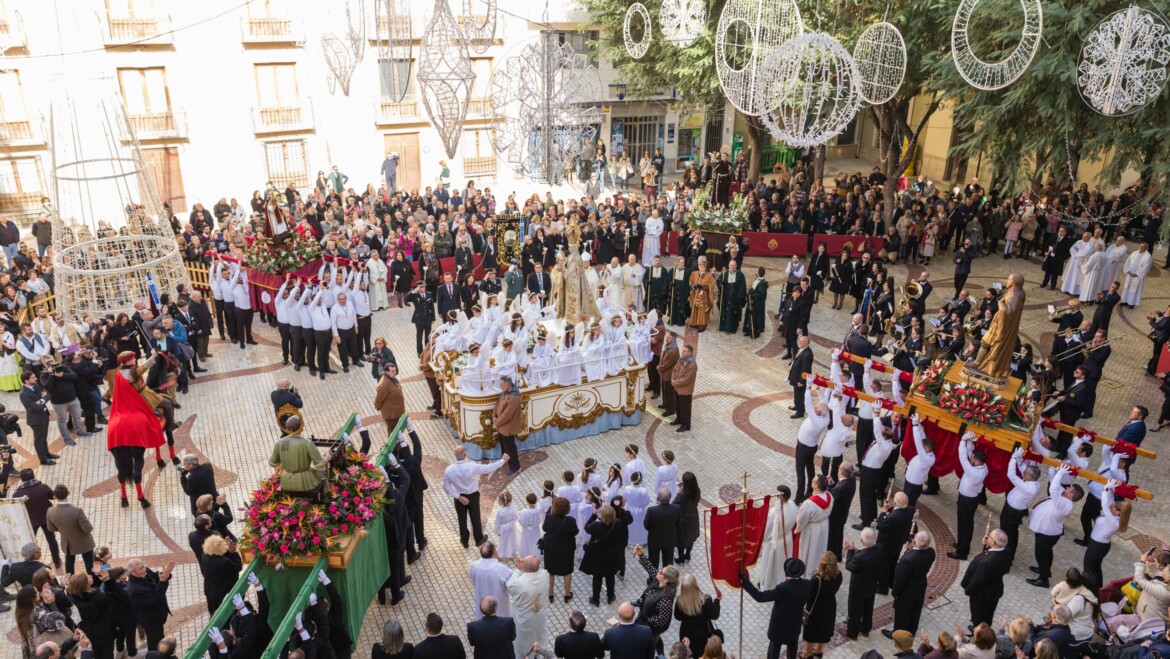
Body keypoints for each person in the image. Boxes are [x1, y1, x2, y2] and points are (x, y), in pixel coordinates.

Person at [739, 557, 811, 659]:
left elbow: (760, 597)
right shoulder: (807, 585)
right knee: (792, 649)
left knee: (774, 651)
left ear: (787, 572)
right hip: (795, 625)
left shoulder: (782, 588)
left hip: (779, 627)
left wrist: (746, 583)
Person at [1026, 466, 1083, 588]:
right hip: (1046, 530)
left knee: (1041, 554)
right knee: (1046, 552)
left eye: (1069, 489)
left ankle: (1043, 579)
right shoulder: (1064, 497)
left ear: (1071, 495)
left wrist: (1061, 473)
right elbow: (1054, 483)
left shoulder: (1065, 504)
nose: (1067, 488)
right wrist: (1053, 470)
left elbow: (1053, 489)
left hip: (1047, 532)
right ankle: (1045, 570)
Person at [443, 446, 507, 548]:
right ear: (465, 455)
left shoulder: (449, 470)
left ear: (455, 455)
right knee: (475, 517)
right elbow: (488, 468)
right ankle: (478, 539)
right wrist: (503, 461)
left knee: (462, 519)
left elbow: (446, 486)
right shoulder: (472, 466)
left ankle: (464, 541)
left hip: (459, 498)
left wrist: (458, 496)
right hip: (473, 496)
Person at [884, 531, 935, 638]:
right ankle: (912, 630)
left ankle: (897, 633)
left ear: (915, 542)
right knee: (915, 610)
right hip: (920, 585)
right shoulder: (931, 552)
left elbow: (900, 577)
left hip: (907, 590)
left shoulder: (908, 559)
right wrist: (910, 551)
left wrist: (895, 592)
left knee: (902, 612)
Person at [632, 545, 678, 654]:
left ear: (666, 580)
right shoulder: (659, 580)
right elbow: (651, 569)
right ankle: (661, 653)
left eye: (661, 572)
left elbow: (662, 620)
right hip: (645, 618)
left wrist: (647, 620)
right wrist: (641, 555)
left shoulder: (666, 599)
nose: (659, 571)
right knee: (656, 638)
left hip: (649, 626)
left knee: (650, 641)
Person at [960, 529, 1010, 629]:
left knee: (978, 615)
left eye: (989, 537)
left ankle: (978, 632)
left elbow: (977, 580)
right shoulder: (1007, 551)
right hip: (995, 589)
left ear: (993, 542)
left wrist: (968, 590)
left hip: (982, 594)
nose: (987, 538)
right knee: (988, 613)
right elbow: (990, 554)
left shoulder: (987, 562)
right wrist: (986, 547)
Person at [950, 433, 987, 560]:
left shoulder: (973, 472)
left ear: (976, 460)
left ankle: (962, 552)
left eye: (972, 457)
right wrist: (969, 441)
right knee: (965, 524)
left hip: (967, 500)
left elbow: (963, 458)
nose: (970, 458)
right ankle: (962, 545)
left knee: (964, 525)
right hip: (969, 498)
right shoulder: (982, 466)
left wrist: (962, 440)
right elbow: (970, 453)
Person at [580, 504, 626, 606]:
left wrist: (593, 515)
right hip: (612, 554)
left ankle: (595, 599)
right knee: (610, 576)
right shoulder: (618, 523)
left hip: (597, 556)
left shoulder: (596, 526)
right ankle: (610, 597)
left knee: (597, 577)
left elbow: (586, 527)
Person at [45, 485, 95, 577]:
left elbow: (51, 528)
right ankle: (94, 582)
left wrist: (63, 529)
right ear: (68, 493)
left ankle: (70, 582)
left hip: (67, 542)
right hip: (84, 541)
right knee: (89, 563)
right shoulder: (77, 510)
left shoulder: (50, 511)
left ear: (55, 496)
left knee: (69, 564)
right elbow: (87, 528)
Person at [268, 415, 326, 495]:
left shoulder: (283, 443)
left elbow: (273, 463)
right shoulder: (307, 443)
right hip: (306, 483)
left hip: (286, 482)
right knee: (323, 474)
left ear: (287, 429)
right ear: (302, 427)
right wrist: (326, 458)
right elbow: (319, 464)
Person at [126, 558, 174, 652]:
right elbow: (154, 599)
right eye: (140, 568)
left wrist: (165, 574)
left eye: (143, 566)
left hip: (157, 614)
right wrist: (163, 581)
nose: (144, 569)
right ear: (132, 572)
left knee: (160, 636)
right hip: (150, 620)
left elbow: (155, 577)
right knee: (155, 641)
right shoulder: (134, 589)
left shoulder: (145, 571)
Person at [507, 556, 550, 657]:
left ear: (528, 569)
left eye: (523, 561)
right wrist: (524, 568)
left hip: (524, 621)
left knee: (523, 644)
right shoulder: (545, 575)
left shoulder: (519, 583)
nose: (521, 560)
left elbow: (510, 585)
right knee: (539, 636)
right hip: (539, 617)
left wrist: (518, 570)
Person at [843, 527, 882, 640]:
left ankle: (852, 632)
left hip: (858, 588)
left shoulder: (859, 558)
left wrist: (850, 550)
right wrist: (856, 550)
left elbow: (849, 565)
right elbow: (867, 552)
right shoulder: (879, 548)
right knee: (868, 608)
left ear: (861, 540)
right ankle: (865, 629)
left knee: (854, 610)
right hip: (872, 585)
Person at [757, 485, 798, 589]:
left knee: (770, 566)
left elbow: (766, 531)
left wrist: (763, 540)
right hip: (787, 539)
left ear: (780, 496)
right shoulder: (793, 504)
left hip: (774, 543)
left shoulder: (774, 512)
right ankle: (782, 583)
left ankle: (767, 585)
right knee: (781, 566)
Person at [802, 551, 842, 657]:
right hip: (829, 607)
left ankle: (808, 653)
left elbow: (810, 595)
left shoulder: (816, 579)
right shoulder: (839, 575)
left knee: (811, 632)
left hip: (815, 608)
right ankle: (819, 651)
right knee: (824, 630)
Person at [794, 475, 833, 578]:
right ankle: (819, 570)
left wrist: (798, 529)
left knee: (809, 553)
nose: (811, 482)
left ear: (816, 486)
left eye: (813, 481)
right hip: (824, 525)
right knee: (820, 549)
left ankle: (807, 575)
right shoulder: (829, 496)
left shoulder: (809, 504)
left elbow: (801, 520)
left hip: (812, 530)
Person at [541, 498, 579, 602]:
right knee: (567, 572)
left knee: (550, 572)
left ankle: (550, 594)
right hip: (566, 550)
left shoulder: (548, 518)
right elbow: (575, 532)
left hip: (551, 549)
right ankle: (567, 594)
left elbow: (544, 529)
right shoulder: (571, 521)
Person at [674, 574, 721, 653]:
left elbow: (678, 617)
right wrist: (717, 602)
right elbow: (715, 615)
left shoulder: (679, 601)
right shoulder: (706, 600)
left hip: (686, 635)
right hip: (703, 635)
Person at [199, 535, 242, 615]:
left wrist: (226, 551)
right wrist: (233, 553)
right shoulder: (224, 562)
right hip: (223, 592)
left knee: (213, 612)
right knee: (225, 614)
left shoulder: (205, 555)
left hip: (211, 589)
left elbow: (217, 556)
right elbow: (238, 567)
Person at [470, 542, 513, 620]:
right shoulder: (501, 569)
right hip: (499, 607)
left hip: (482, 601)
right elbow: (512, 583)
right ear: (494, 552)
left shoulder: (474, 566)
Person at [20, 370, 53, 464]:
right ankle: (43, 459)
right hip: (36, 420)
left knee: (44, 437)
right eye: (33, 377)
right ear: (26, 381)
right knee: (39, 440)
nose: (36, 378)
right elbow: (35, 407)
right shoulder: (24, 394)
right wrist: (43, 399)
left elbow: (48, 394)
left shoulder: (36, 385)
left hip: (44, 415)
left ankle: (47, 454)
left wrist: (41, 400)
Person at [493, 376, 523, 476]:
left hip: (508, 427)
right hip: (501, 425)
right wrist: (494, 415)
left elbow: (507, 414)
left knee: (510, 448)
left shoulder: (514, 397)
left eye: (501, 384)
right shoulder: (506, 392)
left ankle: (515, 467)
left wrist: (497, 421)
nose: (500, 386)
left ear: (507, 384)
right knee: (504, 446)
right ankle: (505, 460)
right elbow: (498, 403)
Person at [672, 472, 701, 564]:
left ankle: (681, 558)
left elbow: (673, 505)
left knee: (681, 540)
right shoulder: (697, 492)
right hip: (693, 518)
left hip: (683, 521)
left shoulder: (682, 496)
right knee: (691, 538)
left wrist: (679, 493)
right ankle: (688, 555)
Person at [669, 344, 697, 432]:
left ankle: (686, 424)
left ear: (690, 352)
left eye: (684, 351)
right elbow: (674, 369)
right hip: (677, 388)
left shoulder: (692, 365)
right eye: (682, 351)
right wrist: (673, 378)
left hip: (685, 390)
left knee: (685, 408)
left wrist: (674, 382)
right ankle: (679, 419)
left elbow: (686, 379)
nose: (682, 352)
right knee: (678, 405)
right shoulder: (681, 360)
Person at [686, 257, 717, 331]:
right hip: (695, 294)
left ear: (705, 267)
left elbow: (711, 286)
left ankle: (701, 325)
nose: (702, 268)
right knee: (695, 307)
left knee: (702, 310)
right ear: (698, 267)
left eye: (703, 267)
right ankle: (694, 323)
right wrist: (693, 286)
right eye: (700, 266)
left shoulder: (709, 275)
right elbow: (690, 281)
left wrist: (702, 286)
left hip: (704, 296)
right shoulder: (694, 273)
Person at [1121, 242, 1152, 307]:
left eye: (1142, 247)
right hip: (1130, 274)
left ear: (1146, 248)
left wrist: (1137, 274)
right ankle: (1124, 301)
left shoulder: (1148, 256)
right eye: (1140, 246)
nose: (1140, 248)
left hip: (1137, 276)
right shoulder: (1134, 253)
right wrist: (1128, 271)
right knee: (1127, 287)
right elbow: (1128, 262)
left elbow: (1146, 267)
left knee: (1134, 290)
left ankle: (1131, 303)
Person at [788, 337, 812, 419]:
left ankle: (800, 411)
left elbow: (805, 369)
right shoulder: (802, 349)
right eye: (800, 340)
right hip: (796, 376)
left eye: (802, 341)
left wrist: (802, 381)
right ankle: (797, 406)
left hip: (799, 378)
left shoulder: (807, 354)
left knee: (799, 395)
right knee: (796, 393)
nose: (799, 342)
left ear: (806, 343)